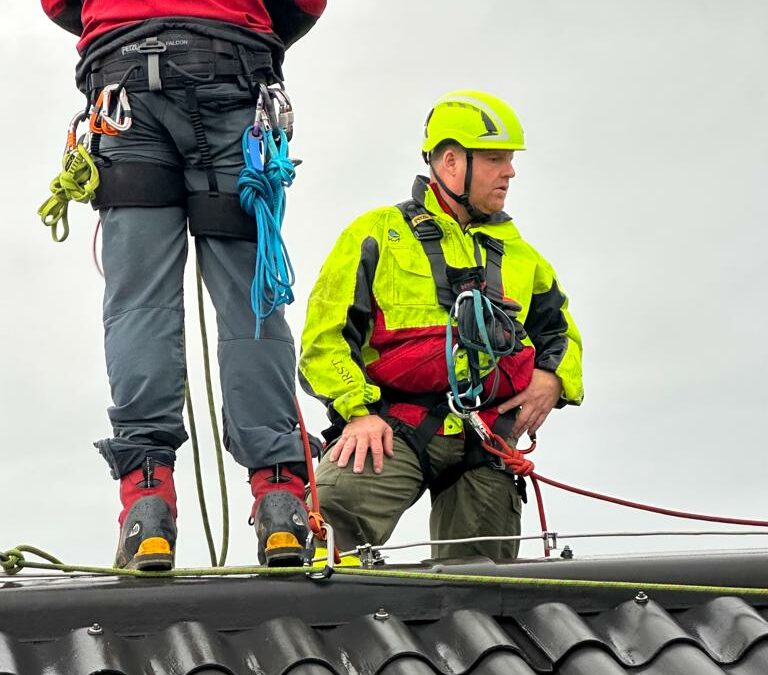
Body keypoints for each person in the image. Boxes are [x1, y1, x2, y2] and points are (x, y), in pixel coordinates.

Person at [41, 0, 326, 570]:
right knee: (251, 297)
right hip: (229, 75)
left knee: (138, 303)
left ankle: (147, 506)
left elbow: (59, 4)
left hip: (122, 89)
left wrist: (124, 22)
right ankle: (280, 505)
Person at [299, 90, 583, 561]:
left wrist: (552, 379)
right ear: (451, 163)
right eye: (495, 159)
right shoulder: (375, 234)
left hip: (486, 439)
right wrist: (358, 413)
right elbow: (323, 340)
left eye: (509, 160)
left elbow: (561, 335)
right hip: (393, 424)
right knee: (332, 515)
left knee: (485, 581)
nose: (510, 172)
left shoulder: (522, 256)